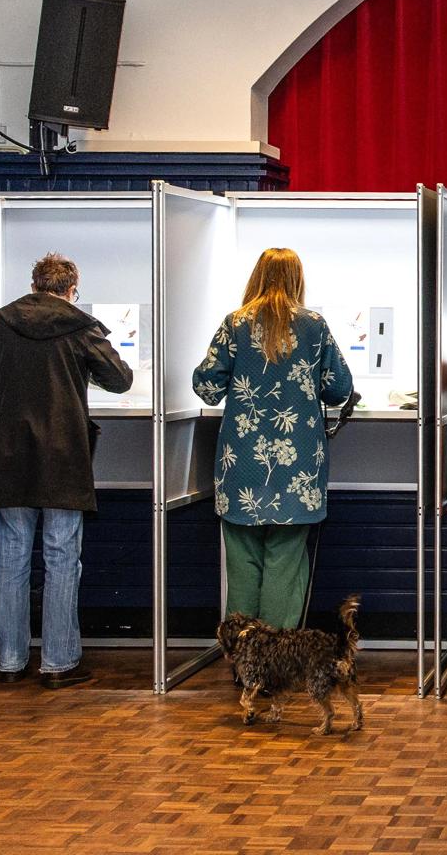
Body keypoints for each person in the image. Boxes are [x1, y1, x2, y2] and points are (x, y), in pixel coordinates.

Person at [0, 252, 133, 689]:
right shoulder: (80, 326)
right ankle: (59, 663)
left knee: (10, 559)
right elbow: (120, 379)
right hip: (63, 458)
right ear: (72, 289)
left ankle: (11, 661)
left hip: (7, 457)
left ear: (33, 284)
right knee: (61, 560)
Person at [192, 248, 353, 629]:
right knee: (286, 560)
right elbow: (339, 388)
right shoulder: (314, 325)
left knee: (243, 562)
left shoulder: (236, 323)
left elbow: (206, 386)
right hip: (297, 465)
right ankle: (276, 659)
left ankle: (245, 657)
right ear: (298, 278)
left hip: (241, 463)